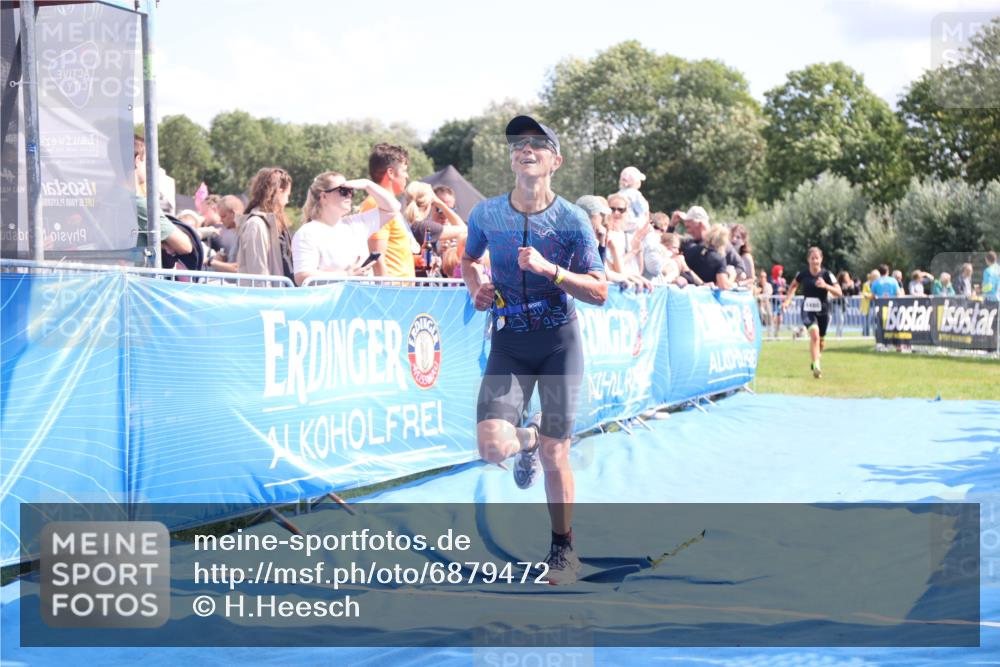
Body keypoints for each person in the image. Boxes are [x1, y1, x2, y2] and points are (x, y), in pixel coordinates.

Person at [461, 115, 607, 586]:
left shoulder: (572, 220)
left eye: (538, 145)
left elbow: (601, 291)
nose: (526, 149)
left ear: (555, 161)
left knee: (556, 456)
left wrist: (552, 271)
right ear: (511, 158)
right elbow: (467, 259)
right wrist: (476, 287)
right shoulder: (486, 214)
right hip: (509, 341)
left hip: (558, 342)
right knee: (490, 447)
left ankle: (563, 551)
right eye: (519, 144)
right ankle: (530, 437)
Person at [292, 172, 402, 286]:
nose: (349, 195)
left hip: (362, 300)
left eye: (351, 191)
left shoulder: (356, 224)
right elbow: (302, 277)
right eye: (343, 190)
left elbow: (393, 208)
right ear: (324, 196)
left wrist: (368, 184)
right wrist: (346, 275)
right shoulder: (307, 233)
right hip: (332, 302)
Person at [783, 247, 842, 378]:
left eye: (817, 258)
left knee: (821, 341)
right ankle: (816, 365)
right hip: (808, 310)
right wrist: (787, 301)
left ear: (821, 259)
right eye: (812, 258)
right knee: (814, 335)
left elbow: (839, 292)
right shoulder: (803, 274)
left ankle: (815, 359)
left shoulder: (827, 274)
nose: (815, 261)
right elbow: (793, 286)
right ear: (808, 259)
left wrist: (826, 286)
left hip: (824, 311)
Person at [133, 135, 193, 259]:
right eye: (148, 161)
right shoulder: (141, 205)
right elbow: (185, 246)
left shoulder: (104, 201)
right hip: (138, 277)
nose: (151, 168)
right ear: (137, 160)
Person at [363, 143, 418, 278]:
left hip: (401, 291)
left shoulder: (389, 205)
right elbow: (377, 257)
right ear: (391, 173)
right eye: (404, 170)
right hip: (392, 293)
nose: (407, 176)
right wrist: (386, 293)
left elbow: (392, 251)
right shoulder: (376, 204)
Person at [576, 195, 650, 291]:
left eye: (621, 209)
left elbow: (603, 271)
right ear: (591, 216)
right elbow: (603, 274)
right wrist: (625, 278)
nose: (603, 219)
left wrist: (605, 245)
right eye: (601, 214)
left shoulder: (592, 238)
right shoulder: (580, 238)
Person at [236, 167, 294, 282]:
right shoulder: (256, 224)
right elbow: (259, 273)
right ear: (279, 190)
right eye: (288, 195)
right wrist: (267, 297)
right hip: (267, 296)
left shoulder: (271, 223)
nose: (287, 201)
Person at [404, 182, 468, 276]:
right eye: (439, 209)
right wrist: (439, 203)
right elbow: (464, 228)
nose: (444, 215)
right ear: (429, 205)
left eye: (452, 210)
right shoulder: (425, 227)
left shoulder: (410, 225)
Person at [617, 166, 650, 233]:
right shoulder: (635, 194)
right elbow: (642, 210)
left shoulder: (619, 193)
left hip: (621, 226)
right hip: (634, 227)